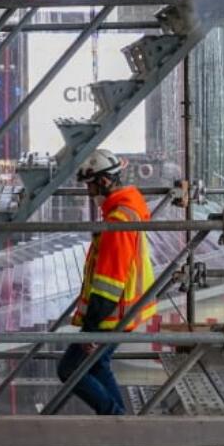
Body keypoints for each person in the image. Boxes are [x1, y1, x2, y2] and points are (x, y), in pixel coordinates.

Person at [56, 148, 155, 415]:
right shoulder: (127, 211)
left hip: (111, 315)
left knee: (68, 369)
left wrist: (90, 330)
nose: (89, 192)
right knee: (99, 365)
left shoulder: (118, 221)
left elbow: (109, 283)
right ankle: (121, 424)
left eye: (90, 185)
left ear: (104, 181)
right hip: (121, 312)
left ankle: (116, 418)